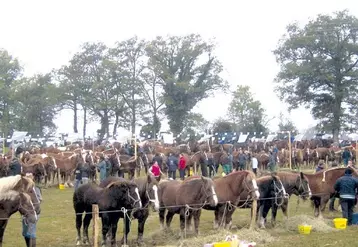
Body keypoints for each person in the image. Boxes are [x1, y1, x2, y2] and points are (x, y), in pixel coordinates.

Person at [22, 173, 42, 247]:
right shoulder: (24, 189)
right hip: (25, 214)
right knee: (25, 233)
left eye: (30, 176)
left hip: (33, 213)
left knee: (31, 233)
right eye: (27, 177)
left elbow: (39, 200)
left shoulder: (35, 188)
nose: (28, 178)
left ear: (33, 177)